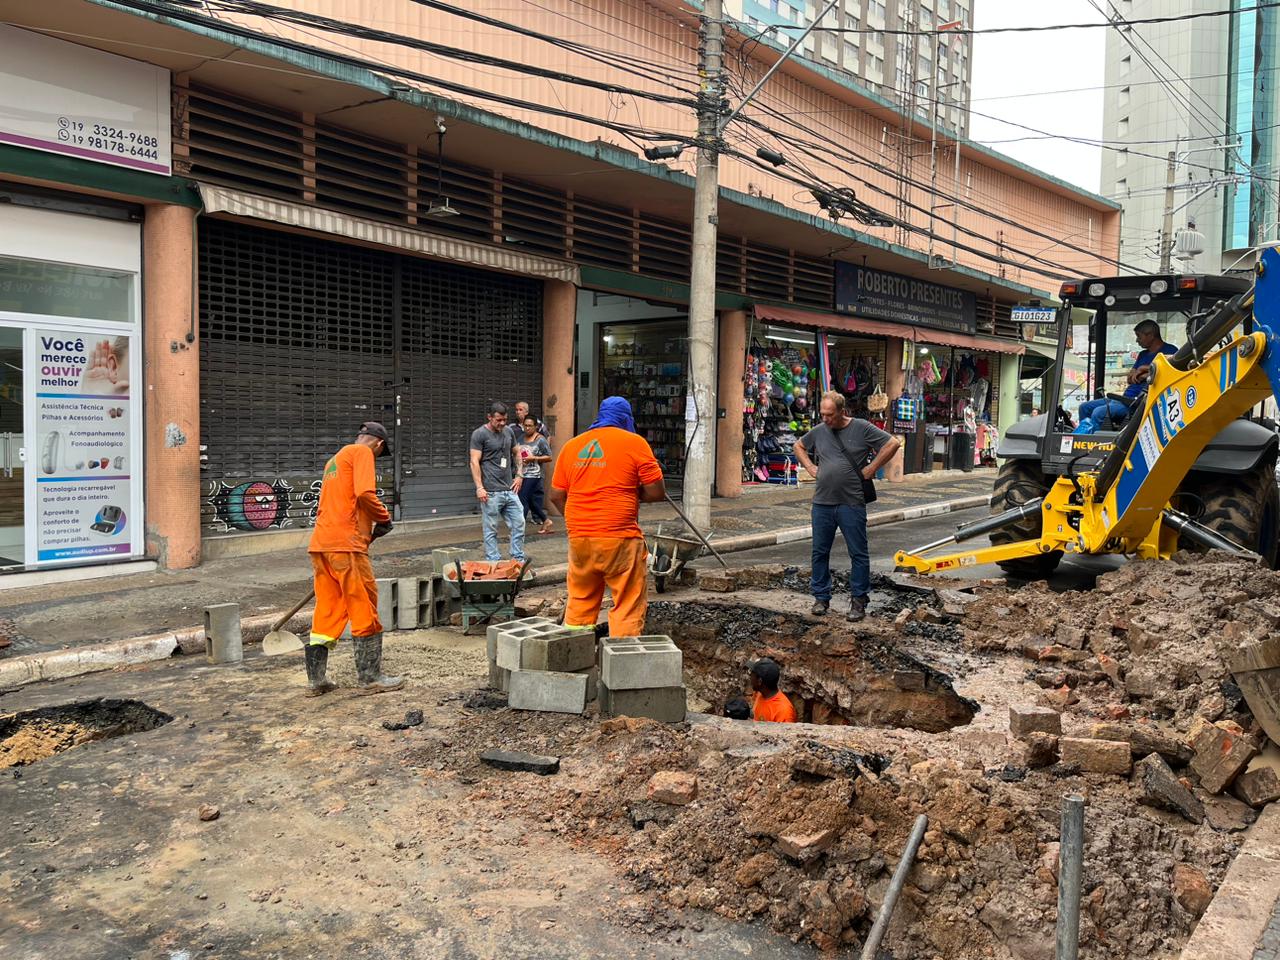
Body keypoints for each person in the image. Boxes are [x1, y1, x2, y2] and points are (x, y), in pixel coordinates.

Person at [547, 396, 664, 637]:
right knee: (627, 605)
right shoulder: (635, 443)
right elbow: (656, 492)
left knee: (580, 602)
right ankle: (622, 662)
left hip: (580, 540)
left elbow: (556, 495)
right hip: (619, 538)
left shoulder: (572, 446)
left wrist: (576, 522)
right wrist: (632, 490)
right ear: (626, 418)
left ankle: (574, 657)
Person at [304, 421, 402, 697]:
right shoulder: (361, 454)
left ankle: (316, 681)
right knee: (363, 603)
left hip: (322, 544)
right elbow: (364, 493)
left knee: (329, 608)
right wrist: (383, 518)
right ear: (378, 444)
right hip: (346, 546)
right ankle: (370, 677)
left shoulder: (334, 461)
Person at [793, 391, 901, 622]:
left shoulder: (861, 428)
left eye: (830, 415)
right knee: (819, 552)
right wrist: (811, 468)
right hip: (822, 503)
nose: (825, 419)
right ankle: (821, 598)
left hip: (851, 502)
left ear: (842, 411)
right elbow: (799, 446)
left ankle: (858, 601)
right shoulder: (820, 430)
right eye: (822, 414)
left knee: (858, 553)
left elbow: (893, 443)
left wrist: (872, 468)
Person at [1078, 320, 1178, 428]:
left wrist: (1144, 369)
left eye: (1139, 337)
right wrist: (1144, 373)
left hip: (1138, 403)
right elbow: (1131, 379)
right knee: (1084, 407)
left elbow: (1167, 373)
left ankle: (1095, 443)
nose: (1137, 341)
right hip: (1124, 399)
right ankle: (1082, 436)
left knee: (1098, 412)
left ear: (1151, 335)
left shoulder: (1171, 351)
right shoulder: (1142, 355)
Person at [470, 401, 526, 563]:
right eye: (498, 420)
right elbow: (474, 461)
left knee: (519, 524)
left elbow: (517, 452)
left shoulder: (508, 432)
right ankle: (493, 560)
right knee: (491, 529)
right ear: (489, 417)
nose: (502, 423)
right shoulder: (479, 434)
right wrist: (479, 487)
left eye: (505, 420)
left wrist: (520, 474)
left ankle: (517, 559)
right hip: (491, 492)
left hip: (510, 489)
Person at [516, 416, 554, 534]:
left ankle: (518, 530)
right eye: (525, 425)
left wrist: (534, 458)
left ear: (536, 426)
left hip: (534, 475)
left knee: (522, 499)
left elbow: (549, 457)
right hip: (521, 473)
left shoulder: (540, 439)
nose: (527, 428)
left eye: (530, 426)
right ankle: (546, 520)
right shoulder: (521, 438)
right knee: (531, 501)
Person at [749, 658, 797, 723]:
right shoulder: (759, 693)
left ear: (759, 681)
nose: (750, 677)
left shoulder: (783, 711)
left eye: (752, 674)